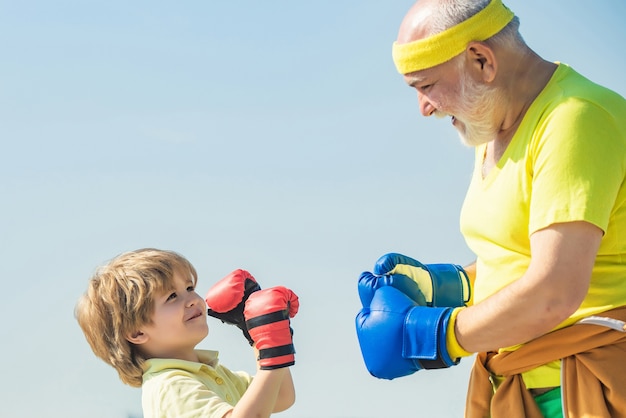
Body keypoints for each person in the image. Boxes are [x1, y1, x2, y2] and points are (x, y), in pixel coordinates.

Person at [354, 0, 626, 417]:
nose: (424, 108)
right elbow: (518, 257)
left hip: (584, 391)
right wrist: (448, 285)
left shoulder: (575, 119)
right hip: (522, 389)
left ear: (481, 60)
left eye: (425, 86)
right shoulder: (493, 126)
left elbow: (555, 291)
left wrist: (432, 336)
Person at [75, 248, 297, 418]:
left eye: (189, 288)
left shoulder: (209, 374)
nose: (192, 300)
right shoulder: (170, 386)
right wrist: (272, 352)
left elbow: (281, 397)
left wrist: (258, 335)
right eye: (172, 296)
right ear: (136, 331)